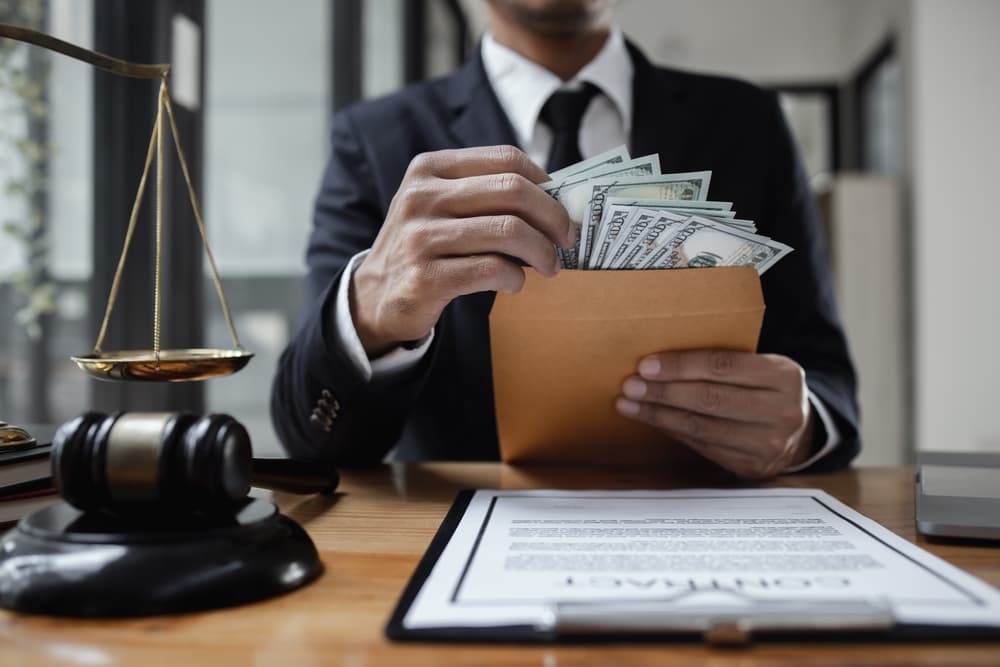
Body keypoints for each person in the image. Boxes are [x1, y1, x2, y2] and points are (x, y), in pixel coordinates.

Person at [270, 0, 860, 479]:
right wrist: (370, 317)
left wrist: (800, 428)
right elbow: (309, 438)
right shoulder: (373, 140)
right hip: (449, 532)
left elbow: (828, 380)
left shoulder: (746, 121)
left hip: (709, 527)